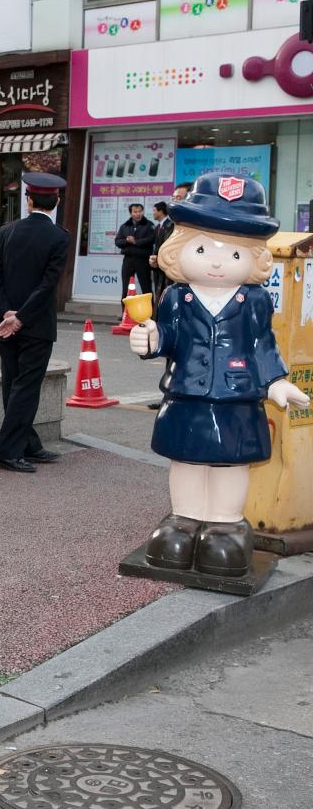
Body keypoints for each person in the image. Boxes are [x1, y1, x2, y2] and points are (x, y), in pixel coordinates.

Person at [129, 173, 309, 577]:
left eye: (232, 253)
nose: (214, 261)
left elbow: (263, 345)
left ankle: (225, 525)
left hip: (237, 399)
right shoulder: (176, 295)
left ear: (254, 257)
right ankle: (185, 519)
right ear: (179, 249)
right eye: (202, 248)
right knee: (187, 461)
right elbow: (170, 335)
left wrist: (276, 382)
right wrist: (152, 337)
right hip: (187, 394)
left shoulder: (255, 300)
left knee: (231, 465)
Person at [0, 172, 69, 474]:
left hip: (5, 324)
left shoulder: (6, 231)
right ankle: (8, 452)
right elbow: (48, 286)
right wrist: (20, 317)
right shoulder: (60, 237)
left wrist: (7, 312)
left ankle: (28, 444)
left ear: (28, 200)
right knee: (26, 388)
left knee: (13, 385)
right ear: (56, 201)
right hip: (36, 325)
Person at [115, 203, 155, 299]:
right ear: (130, 213)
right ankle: (125, 313)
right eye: (135, 212)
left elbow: (151, 239)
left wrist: (136, 241)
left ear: (143, 212)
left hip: (143, 260)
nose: (138, 214)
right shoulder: (125, 226)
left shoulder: (149, 225)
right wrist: (127, 241)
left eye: (140, 211)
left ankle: (150, 313)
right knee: (126, 288)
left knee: (146, 288)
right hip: (128, 260)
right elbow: (117, 241)